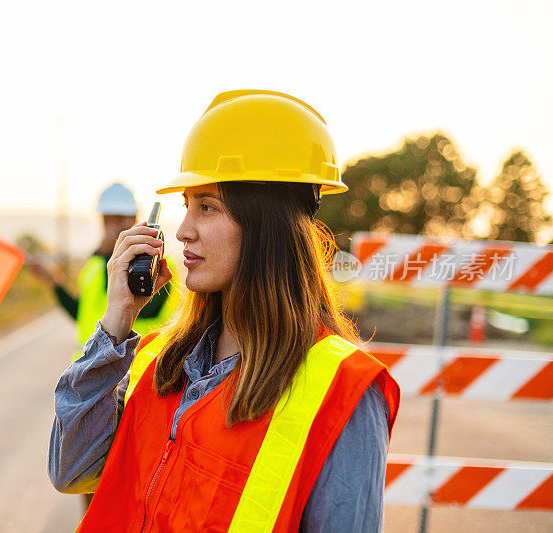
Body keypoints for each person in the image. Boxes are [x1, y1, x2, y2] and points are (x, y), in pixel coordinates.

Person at [48, 91, 400, 532]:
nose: (184, 232)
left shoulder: (342, 391)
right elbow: (71, 472)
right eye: (187, 206)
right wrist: (116, 323)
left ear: (267, 226)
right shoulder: (158, 360)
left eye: (208, 207)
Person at [28, 182, 180, 360]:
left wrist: (114, 257)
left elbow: (144, 309)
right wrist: (53, 280)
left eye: (119, 219)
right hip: (92, 368)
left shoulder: (156, 262)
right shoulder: (95, 263)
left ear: (134, 219)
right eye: (107, 220)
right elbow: (81, 313)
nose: (112, 227)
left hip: (135, 371)